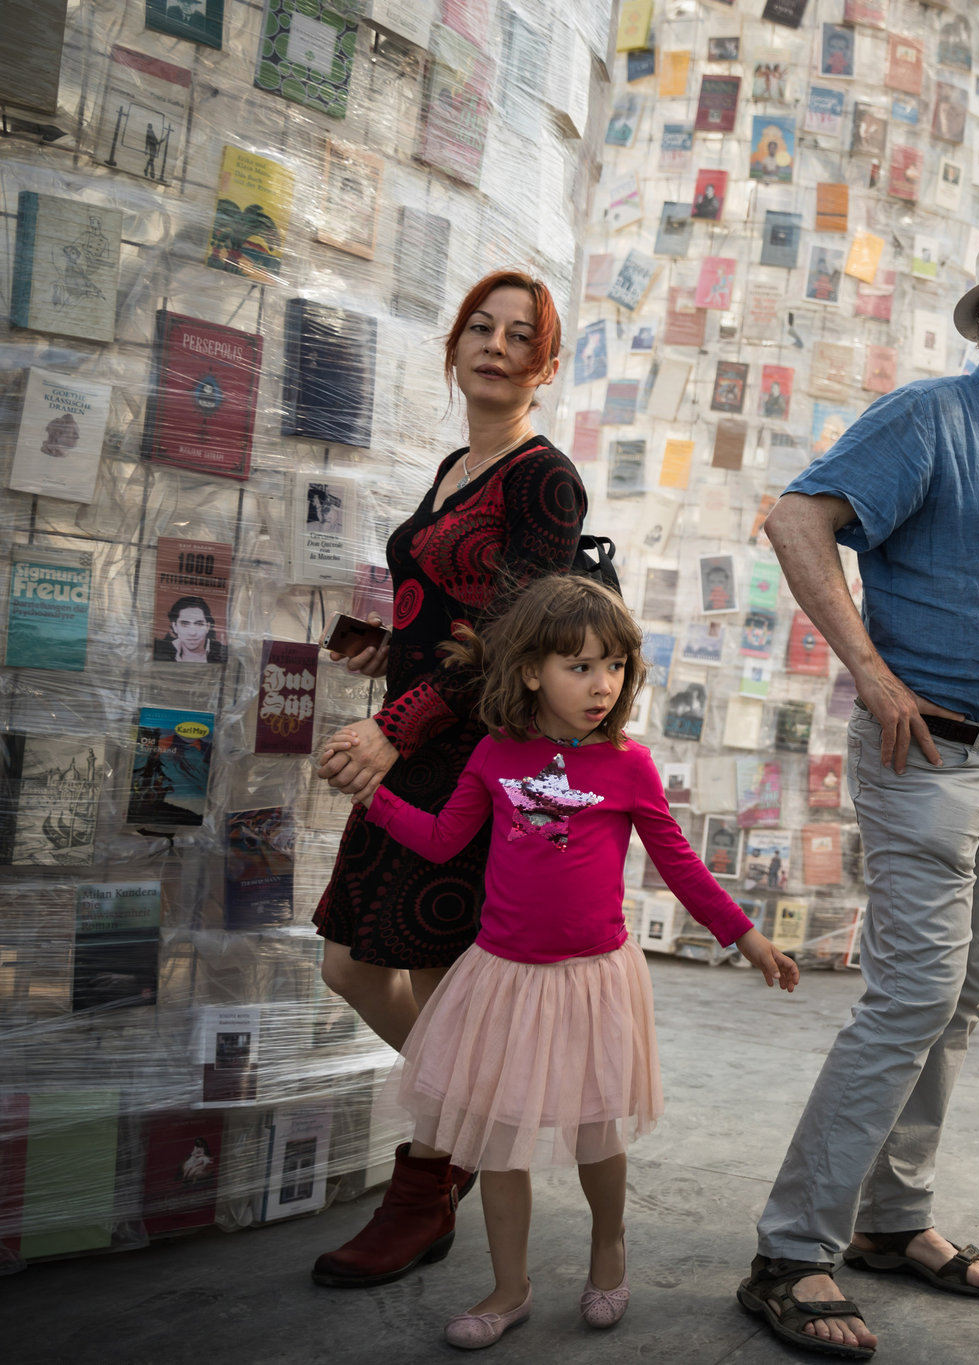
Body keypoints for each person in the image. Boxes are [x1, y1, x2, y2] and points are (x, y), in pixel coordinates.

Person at [742, 218, 979, 1359]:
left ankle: (890, 1218)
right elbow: (796, 519)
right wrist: (869, 671)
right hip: (929, 764)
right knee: (910, 999)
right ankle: (789, 1252)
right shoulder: (930, 418)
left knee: (957, 1003)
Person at [325, 577, 799, 1348]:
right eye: (580, 666)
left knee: (596, 1131)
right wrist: (373, 796)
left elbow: (679, 863)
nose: (602, 684)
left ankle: (608, 1247)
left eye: (614, 665)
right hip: (503, 975)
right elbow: (443, 839)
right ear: (530, 671)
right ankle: (509, 1286)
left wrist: (745, 936)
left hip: (594, 978)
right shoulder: (496, 753)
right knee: (496, 1138)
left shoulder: (628, 764)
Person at [309, 270, 587, 1289]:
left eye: (520, 337)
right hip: (417, 741)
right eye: (480, 327)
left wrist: (392, 727)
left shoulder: (544, 479)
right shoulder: (455, 467)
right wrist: (388, 650)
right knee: (350, 964)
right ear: (454, 346)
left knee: (434, 977)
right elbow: (452, 612)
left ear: (544, 368)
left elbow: (514, 634)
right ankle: (470, 1125)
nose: (496, 347)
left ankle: (425, 1187)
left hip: (471, 757)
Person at [153, 595, 225, 663]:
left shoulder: (223, 654)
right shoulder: (160, 653)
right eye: (184, 624)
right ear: (175, 627)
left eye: (199, 624)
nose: (192, 633)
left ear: (208, 627)